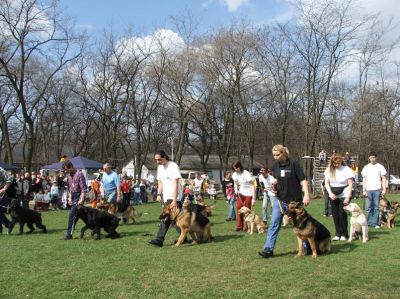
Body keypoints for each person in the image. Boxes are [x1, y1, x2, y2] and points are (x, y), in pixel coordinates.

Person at [259, 145, 310, 258]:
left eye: (278, 155)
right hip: (280, 201)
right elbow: (278, 178)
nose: (275, 157)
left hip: (294, 202)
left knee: (301, 225)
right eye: (274, 155)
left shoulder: (294, 164)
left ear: (283, 153)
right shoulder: (275, 166)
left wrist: (306, 195)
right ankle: (268, 249)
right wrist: (274, 183)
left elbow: (302, 180)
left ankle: (307, 248)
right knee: (274, 224)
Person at [148, 150, 183, 247]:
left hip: (174, 197)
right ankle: (183, 237)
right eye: (156, 160)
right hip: (165, 197)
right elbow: (160, 183)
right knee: (174, 220)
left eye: (159, 159)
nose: (157, 162)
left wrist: (175, 200)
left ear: (164, 157)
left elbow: (175, 183)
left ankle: (159, 240)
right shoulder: (159, 168)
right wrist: (159, 194)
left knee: (167, 218)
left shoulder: (173, 166)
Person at [324, 154, 353, 241]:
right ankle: (338, 233)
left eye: (339, 163)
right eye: (335, 163)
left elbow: (350, 184)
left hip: (344, 193)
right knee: (335, 214)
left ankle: (344, 234)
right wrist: (330, 193)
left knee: (342, 214)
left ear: (341, 162)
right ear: (332, 163)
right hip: (333, 193)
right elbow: (326, 183)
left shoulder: (346, 169)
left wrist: (348, 197)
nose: (337, 165)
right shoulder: (329, 170)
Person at [61, 160, 88, 240]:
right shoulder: (69, 176)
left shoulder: (80, 174)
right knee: (81, 215)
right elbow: (69, 188)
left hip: (78, 196)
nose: (65, 171)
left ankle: (69, 234)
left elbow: (83, 189)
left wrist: (81, 199)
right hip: (72, 196)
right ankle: (94, 228)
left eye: (66, 169)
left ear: (71, 167)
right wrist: (69, 197)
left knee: (72, 215)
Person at [361, 151, 387, 228]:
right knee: (368, 207)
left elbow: (384, 178)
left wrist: (384, 189)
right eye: (371, 157)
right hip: (368, 190)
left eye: (373, 157)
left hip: (377, 189)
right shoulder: (366, 167)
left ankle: (375, 223)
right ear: (369, 158)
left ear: (376, 158)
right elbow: (364, 179)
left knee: (376, 207)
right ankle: (368, 223)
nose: (372, 159)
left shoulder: (380, 167)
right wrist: (364, 190)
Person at [232, 160, 255, 232]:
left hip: (249, 193)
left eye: (236, 168)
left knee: (247, 210)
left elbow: (253, 185)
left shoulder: (246, 173)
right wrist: (236, 189)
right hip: (241, 193)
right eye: (234, 168)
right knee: (239, 209)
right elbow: (235, 183)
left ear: (240, 166)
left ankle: (248, 227)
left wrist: (254, 197)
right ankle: (239, 226)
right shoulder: (235, 174)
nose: (235, 169)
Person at [0, 166, 13, 234]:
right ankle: (8, 224)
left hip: (1, 191)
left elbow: (10, 177)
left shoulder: (0, 169)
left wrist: (5, 188)